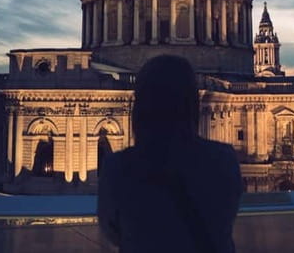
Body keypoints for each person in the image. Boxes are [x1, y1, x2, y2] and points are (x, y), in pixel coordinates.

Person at [98, 55, 243, 253]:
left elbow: (112, 231)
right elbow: (226, 218)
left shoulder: (118, 167)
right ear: (192, 103)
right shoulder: (224, 160)